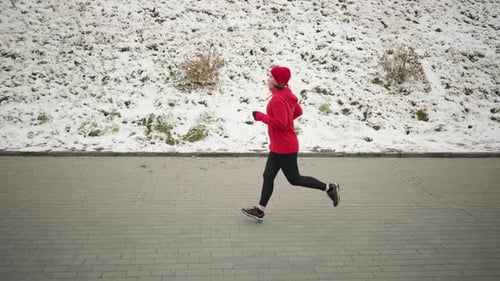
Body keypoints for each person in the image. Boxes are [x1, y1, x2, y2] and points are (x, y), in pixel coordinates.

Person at [241, 66, 340, 222]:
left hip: (285, 147)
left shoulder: (277, 99)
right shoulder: (287, 94)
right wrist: (286, 121)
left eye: (271, 77)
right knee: (268, 176)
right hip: (279, 145)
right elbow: (298, 112)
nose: (268, 79)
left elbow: (280, 123)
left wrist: (261, 116)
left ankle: (329, 187)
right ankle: (260, 210)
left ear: (278, 82)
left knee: (294, 179)